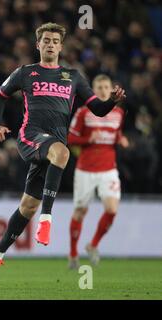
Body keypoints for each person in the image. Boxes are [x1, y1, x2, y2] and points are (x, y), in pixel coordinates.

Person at [0, 22, 126, 285]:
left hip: (52, 147)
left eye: (54, 41)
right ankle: (47, 220)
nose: (50, 44)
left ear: (61, 46)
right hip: (31, 136)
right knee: (62, 154)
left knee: (27, 206)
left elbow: (98, 109)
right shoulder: (25, 73)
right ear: (38, 45)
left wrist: (112, 102)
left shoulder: (73, 77)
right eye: (45, 40)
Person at [68, 74, 128, 269]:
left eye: (106, 87)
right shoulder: (84, 113)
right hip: (85, 169)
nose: (103, 90)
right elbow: (70, 138)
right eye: (99, 87)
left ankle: (93, 245)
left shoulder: (119, 113)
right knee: (80, 211)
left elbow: (115, 134)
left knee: (112, 209)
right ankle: (73, 253)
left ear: (111, 89)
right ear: (93, 90)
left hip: (108, 169)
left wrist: (121, 139)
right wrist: (88, 140)